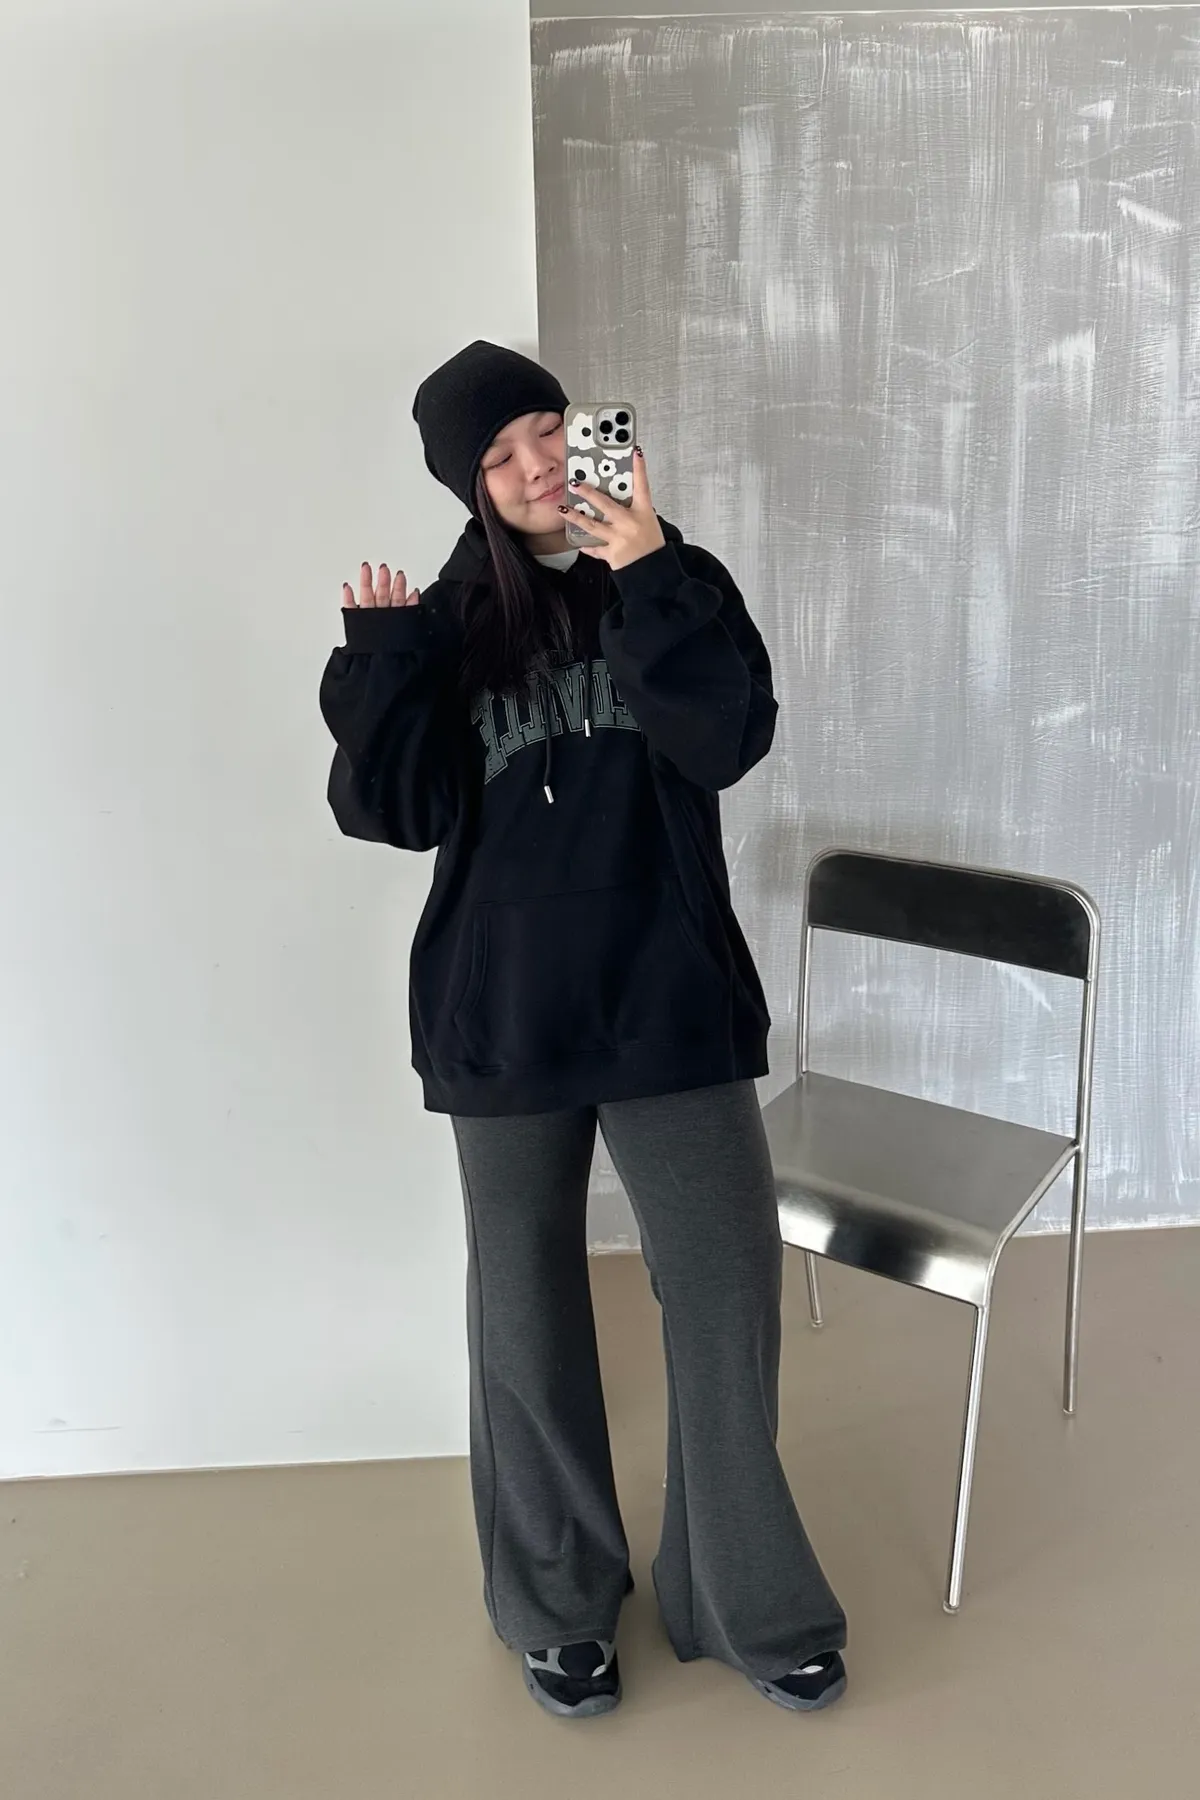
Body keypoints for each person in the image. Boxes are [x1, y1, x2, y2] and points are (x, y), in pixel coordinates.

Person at [319, 340, 847, 1720]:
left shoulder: (678, 578)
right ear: (473, 490)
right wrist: (380, 663)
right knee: (526, 1314)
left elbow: (724, 742)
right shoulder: (447, 622)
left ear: (587, 429)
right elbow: (396, 813)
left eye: (546, 429)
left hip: (668, 1000)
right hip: (501, 1018)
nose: (537, 465)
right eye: (499, 456)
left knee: (725, 1290)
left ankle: (746, 1599)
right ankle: (558, 1602)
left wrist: (646, 565)